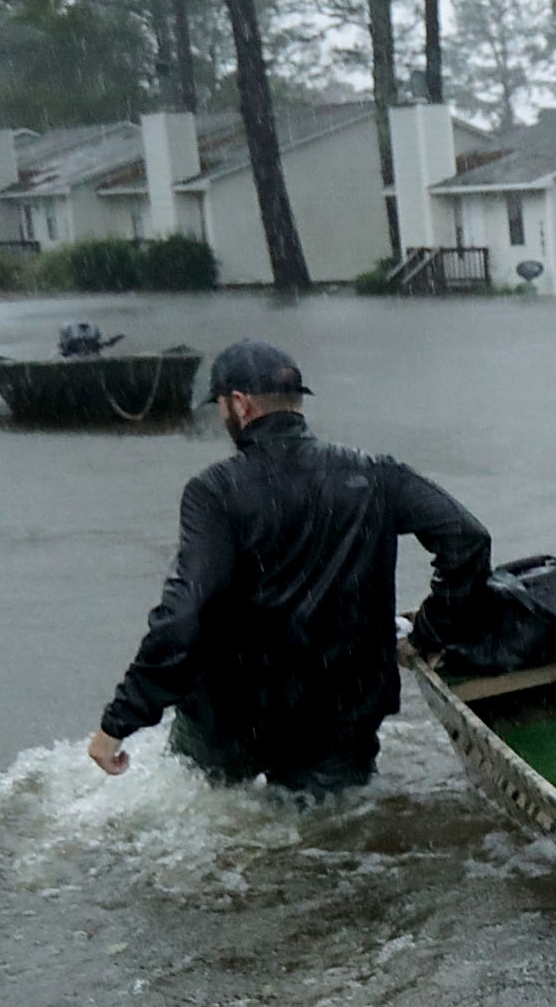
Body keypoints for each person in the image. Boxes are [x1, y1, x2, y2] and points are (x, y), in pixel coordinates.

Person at [89, 339, 493, 794]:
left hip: (234, 717)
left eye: (221, 406)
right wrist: (430, 631)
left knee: (218, 827)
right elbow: (468, 540)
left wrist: (119, 720)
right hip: (339, 716)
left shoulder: (216, 491)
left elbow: (186, 614)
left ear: (239, 404)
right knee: (329, 836)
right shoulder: (375, 475)